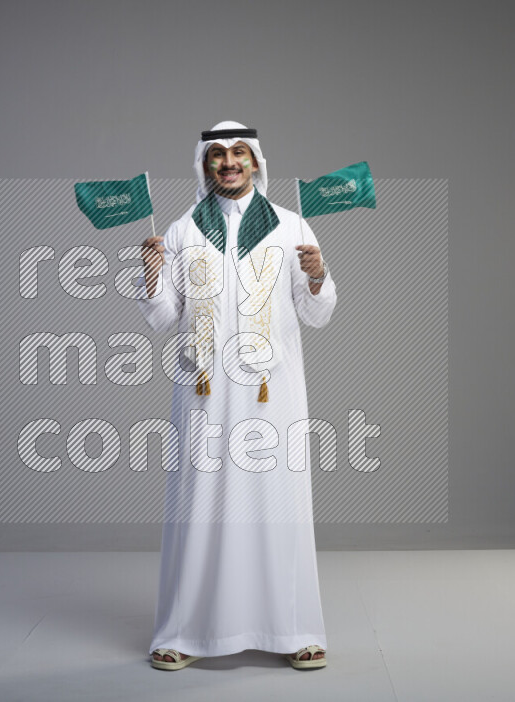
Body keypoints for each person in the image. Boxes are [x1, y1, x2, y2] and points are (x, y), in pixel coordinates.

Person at [137, 121, 337, 671]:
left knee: (279, 502)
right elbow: (162, 318)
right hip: (204, 392)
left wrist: (318, 277)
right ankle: (182, 631)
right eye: (218, 155)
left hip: (273, 393)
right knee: (198, 504)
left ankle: (295, 629)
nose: (229, 163)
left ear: (256, 162)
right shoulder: (182, 230)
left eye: (239, 153)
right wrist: (151, 276)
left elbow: (317, 315)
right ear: (204, 165)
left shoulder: (291, 225)